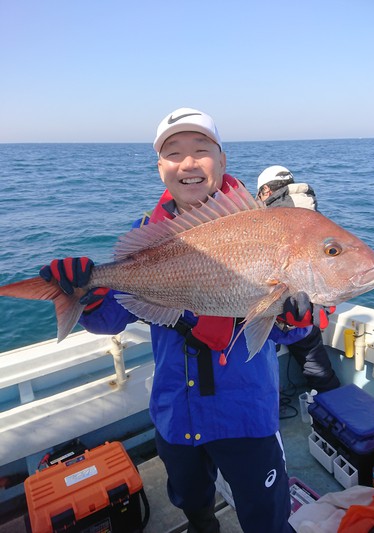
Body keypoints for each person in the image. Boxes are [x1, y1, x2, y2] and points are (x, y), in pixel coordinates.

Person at [39, 109, 334, 533]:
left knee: (266, 515)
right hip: (176, 412)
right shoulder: (147, 233)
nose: (188, 163)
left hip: (245, 415)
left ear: (223, 160)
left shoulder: (265, 225)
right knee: (193, 505)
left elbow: (297, 327)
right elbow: (112, 319)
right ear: (160, 168)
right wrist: (85, 294)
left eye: (201, 150)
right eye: (173, 153)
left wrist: (295, 318)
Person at [256, 165, 341, 393]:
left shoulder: (270, 214)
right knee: (317, 367)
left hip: (283, 312)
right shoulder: (310, 210)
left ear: (265, 190)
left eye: (259, 195)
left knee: (264, 367)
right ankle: (334, 412)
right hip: (311, 311)